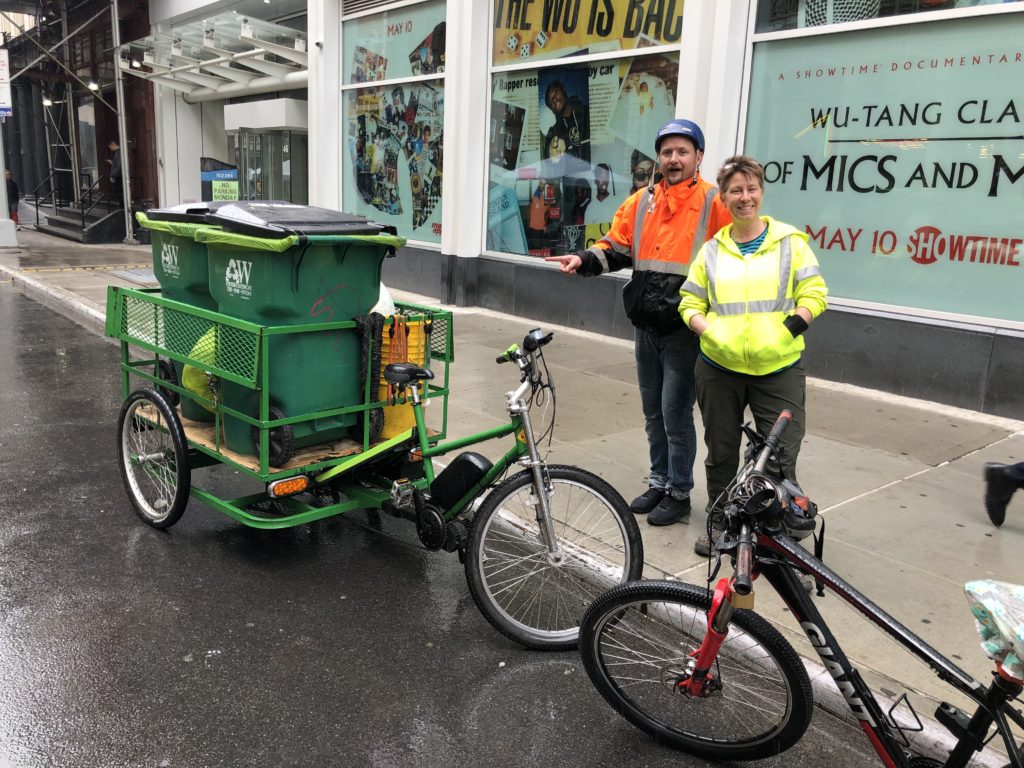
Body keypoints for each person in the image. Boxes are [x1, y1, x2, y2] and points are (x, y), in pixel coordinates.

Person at [545, 119, 731, 525]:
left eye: (683, 151)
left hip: (686, 328)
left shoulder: (715, 203)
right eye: (667, 152)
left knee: (675, 413)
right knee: (652, 411)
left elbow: (734, 261)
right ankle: (660, 481)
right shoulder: (641, 202)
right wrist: (583, 259)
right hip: (646, 324)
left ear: (699, 157)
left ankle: (679, 491)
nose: (674, 159)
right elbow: (615, 246)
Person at [680, 155, 828, 555]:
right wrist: (710, 331)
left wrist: (784, 333)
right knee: (722, 451)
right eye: (735, 191)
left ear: (760, 192)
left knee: (779, 453)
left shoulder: (790, 244)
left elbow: (815, 296)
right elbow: (689, 302)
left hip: (778, 367)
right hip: (718, 367)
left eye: (751, 189)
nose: (744, 197)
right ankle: (722, 519)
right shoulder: (712, 250)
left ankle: (771, 526)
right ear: (723, 198)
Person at [543, 80, 590, 163]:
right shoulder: (555, 131)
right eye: (551, 103)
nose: (554, 100)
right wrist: (550, 153)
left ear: (563, 90)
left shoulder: (587, 113)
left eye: (556, 93)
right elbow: (548, 154)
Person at [106, 139, 123, 209]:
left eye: (110, 148)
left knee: (119, 192)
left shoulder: (119, 153)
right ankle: (121, 206)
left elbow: (119, 165)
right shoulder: (119, 152)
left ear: (113, 145)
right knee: (119, 192)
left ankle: (121, 207)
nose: (110, 150)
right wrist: (112, 163)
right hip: (119, 175)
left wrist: (112, 175)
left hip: (118, 177)